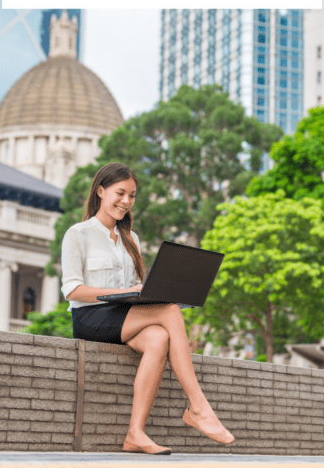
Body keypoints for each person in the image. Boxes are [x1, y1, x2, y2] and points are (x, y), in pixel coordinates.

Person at [61, 162, 235, 455]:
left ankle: (135, 434)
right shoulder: (78, 234)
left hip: (122, 316)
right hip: (89, 318)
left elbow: (134, 288)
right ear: (100, 191)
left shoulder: (132, 240)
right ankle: (198, 406)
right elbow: (73, 290)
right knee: (169, 311)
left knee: (159, 338)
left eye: (132, 196)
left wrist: (144, 293)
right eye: (120, 193)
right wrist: (125, 292)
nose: (126, 202)